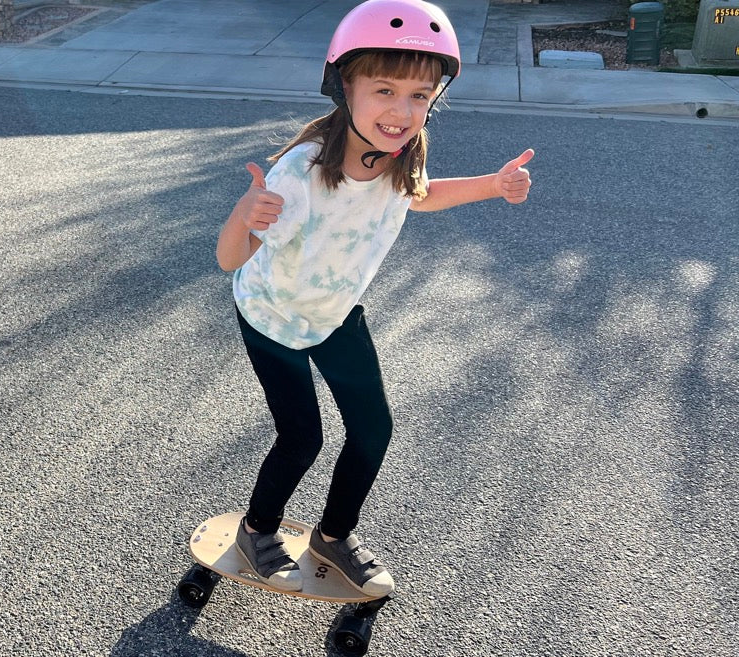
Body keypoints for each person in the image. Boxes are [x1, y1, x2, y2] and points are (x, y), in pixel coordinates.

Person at [215, 0, 533, 595]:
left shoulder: (399, 157)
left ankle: (333, 535)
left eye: (420, 95)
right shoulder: (299, 174)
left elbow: (421, 195)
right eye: (384, 89)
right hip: (273, 317)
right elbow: (230, 260)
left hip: (336, 314)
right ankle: (256, 530)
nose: (401, 110)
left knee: (372, 429)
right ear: (345, 85)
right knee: (302, 434)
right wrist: (242, 215)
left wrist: (492, 185)